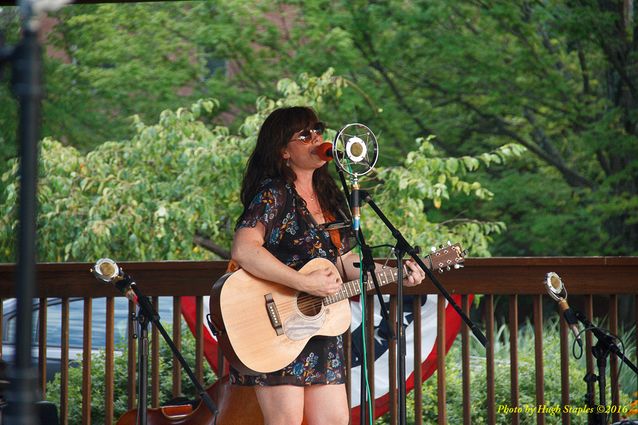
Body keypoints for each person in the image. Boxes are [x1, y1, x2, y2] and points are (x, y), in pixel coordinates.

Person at [229, 106, 425, 425]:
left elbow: (346, 262)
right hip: (277, 324)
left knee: (334, 421)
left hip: (320, 330)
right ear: (283, 151)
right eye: (305, 134)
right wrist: (303, 283)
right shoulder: (274, 194)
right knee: (286, 421)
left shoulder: (330, 197)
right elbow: (244, 249)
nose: (317, 138)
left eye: (318, 130)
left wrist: (397, 273)